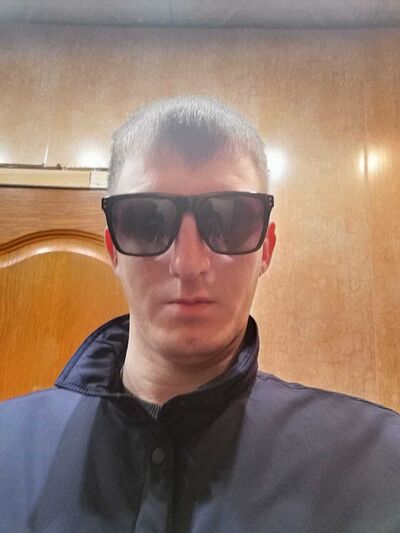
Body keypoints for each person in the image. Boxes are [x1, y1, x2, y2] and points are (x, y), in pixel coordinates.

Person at [0, 96, 399, 533]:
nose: (188, 264)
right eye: (147, 221)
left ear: (265, 249)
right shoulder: (7, 447)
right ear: (113, 250)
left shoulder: (378, 465)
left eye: (229, 221)